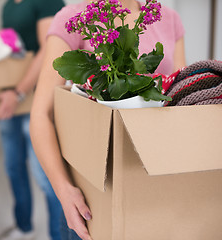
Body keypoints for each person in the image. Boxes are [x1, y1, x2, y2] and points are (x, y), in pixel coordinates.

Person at [30, 0, 186, 239]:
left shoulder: (169, 18)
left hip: (158, 179)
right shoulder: (74, 18)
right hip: (94, 189)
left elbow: (181, 95)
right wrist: (64, 190)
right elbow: (41, 115)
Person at [0, 0, 65, 239]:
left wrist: (19, 92)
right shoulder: (8, 6)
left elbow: (48, 49)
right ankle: (23, 228)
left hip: (34, 97)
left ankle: (58, 235)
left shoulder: (47, 2)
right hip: (10, 96)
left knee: (46, 176)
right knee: (13, 168)